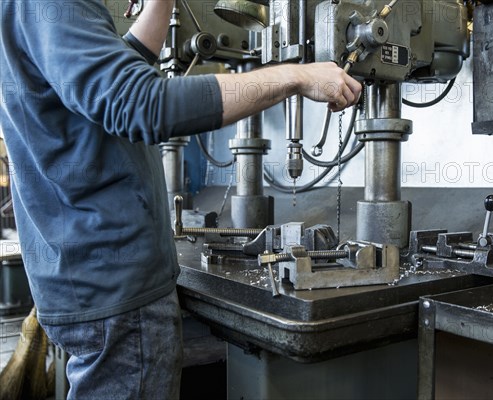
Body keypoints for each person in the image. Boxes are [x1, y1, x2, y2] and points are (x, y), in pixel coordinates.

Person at [0, 0, 362, 398]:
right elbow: (142, 103)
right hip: (114, 290)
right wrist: (294, 76)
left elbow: (111, 80)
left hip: (86, 277)